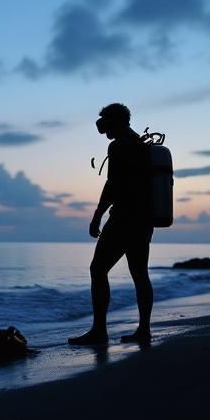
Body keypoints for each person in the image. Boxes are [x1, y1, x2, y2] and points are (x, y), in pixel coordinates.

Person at [69, 103, 154, 346]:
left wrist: (97, 215)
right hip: (144, 220)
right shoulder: (140, 144)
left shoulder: (118, 146)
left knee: (97, 270)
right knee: (140, 274)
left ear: (115, 120)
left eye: (105, 119)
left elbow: (113, 185)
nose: (101, 125)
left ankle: (99, 331)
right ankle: (144, 330)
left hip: (124, 219)